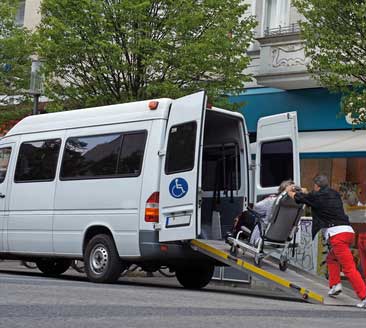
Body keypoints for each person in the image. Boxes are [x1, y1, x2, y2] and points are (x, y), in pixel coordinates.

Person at [287, 175, 366, 308]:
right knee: (331, 259)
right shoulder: (334, 194)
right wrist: (306, 192)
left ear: (317, 186)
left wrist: (289, 190)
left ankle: (364, 296)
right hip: (348, 232)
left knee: (349, 268)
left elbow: (299, 198)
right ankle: (335, 285)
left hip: (337, 235)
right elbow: (311, 196)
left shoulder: (316, 197)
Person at [227, 180, 295, 245]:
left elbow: (256, 208)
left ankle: (234, 235)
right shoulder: (295, 205)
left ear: (281, 189)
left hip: (265, 234)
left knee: (245, 213)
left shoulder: (272, 200)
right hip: (282, 237)